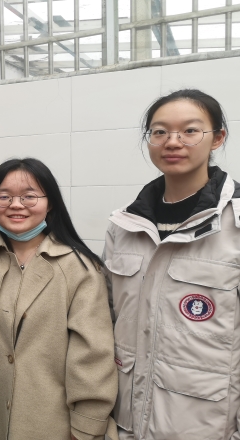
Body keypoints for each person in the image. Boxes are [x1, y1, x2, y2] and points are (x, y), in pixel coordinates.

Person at [104, 89, 240, 440]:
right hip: (126, 423)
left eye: (190, 131)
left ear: (218, 138)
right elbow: (108, 318)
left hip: (206, 427)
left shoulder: (235, 223)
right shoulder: (124, 225)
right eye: (160, 132)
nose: (173, 142)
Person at [0, 158, 118, 440]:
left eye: (29, 196)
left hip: (50, 419)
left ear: (50, 203)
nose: (16, 205)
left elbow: (93, 357)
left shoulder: (78, 268)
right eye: (4, 197)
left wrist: (86, 427)